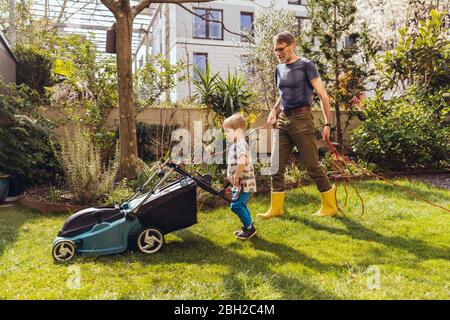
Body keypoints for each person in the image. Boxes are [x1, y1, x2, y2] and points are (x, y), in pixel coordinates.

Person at [257, 31, 338, 219]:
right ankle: (276, 208)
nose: (278, 53)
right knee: (275, 165)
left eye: (281, 49)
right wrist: (274, 111)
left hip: (302, 120)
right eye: (276, 50)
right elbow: (283, 94)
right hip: (283, 121)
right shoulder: (279, 69)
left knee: (312, 165)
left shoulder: (306, 66)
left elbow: (323, 96)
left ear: (292, 45)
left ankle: (330, 206)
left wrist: (327, 124)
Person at [223, 113, 257, 240]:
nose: (225, 134)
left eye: (227, 131)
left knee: (236, 205)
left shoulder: (241, 144)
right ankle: (249, 227)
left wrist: (236, 175)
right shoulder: (234, 146)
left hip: (244, 182)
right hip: (239, 183)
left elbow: (242, 161)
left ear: (237, 131)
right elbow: (230, 164)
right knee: (240, 204)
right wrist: (229, 175)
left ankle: (249, 229)